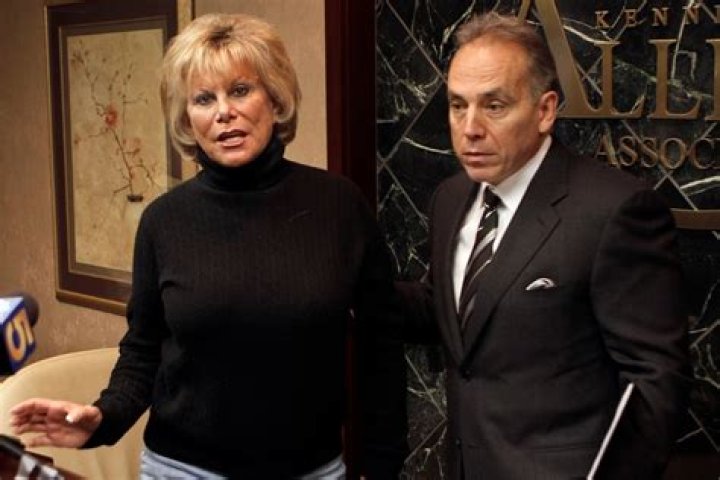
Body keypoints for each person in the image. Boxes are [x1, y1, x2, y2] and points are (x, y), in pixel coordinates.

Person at [10, 13, 406, 479]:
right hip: (183, 470)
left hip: (312, 470)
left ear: (275, 99)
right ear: (186, 119)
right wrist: (103, 418)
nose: (224, 112)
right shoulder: (163, 221)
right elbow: (143, 351)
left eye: (240, 90)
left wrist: (381, 467)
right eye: (203, 98)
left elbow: (381, 351)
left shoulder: (340, 206)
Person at [397, 12, 689, 480]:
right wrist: (349, 284)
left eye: (494, 106)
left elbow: (656, 382)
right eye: (457, 105)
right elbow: (450, 311)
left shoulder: (614, 210)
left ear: (545, 110)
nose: (469, 128)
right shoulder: (450, 199)